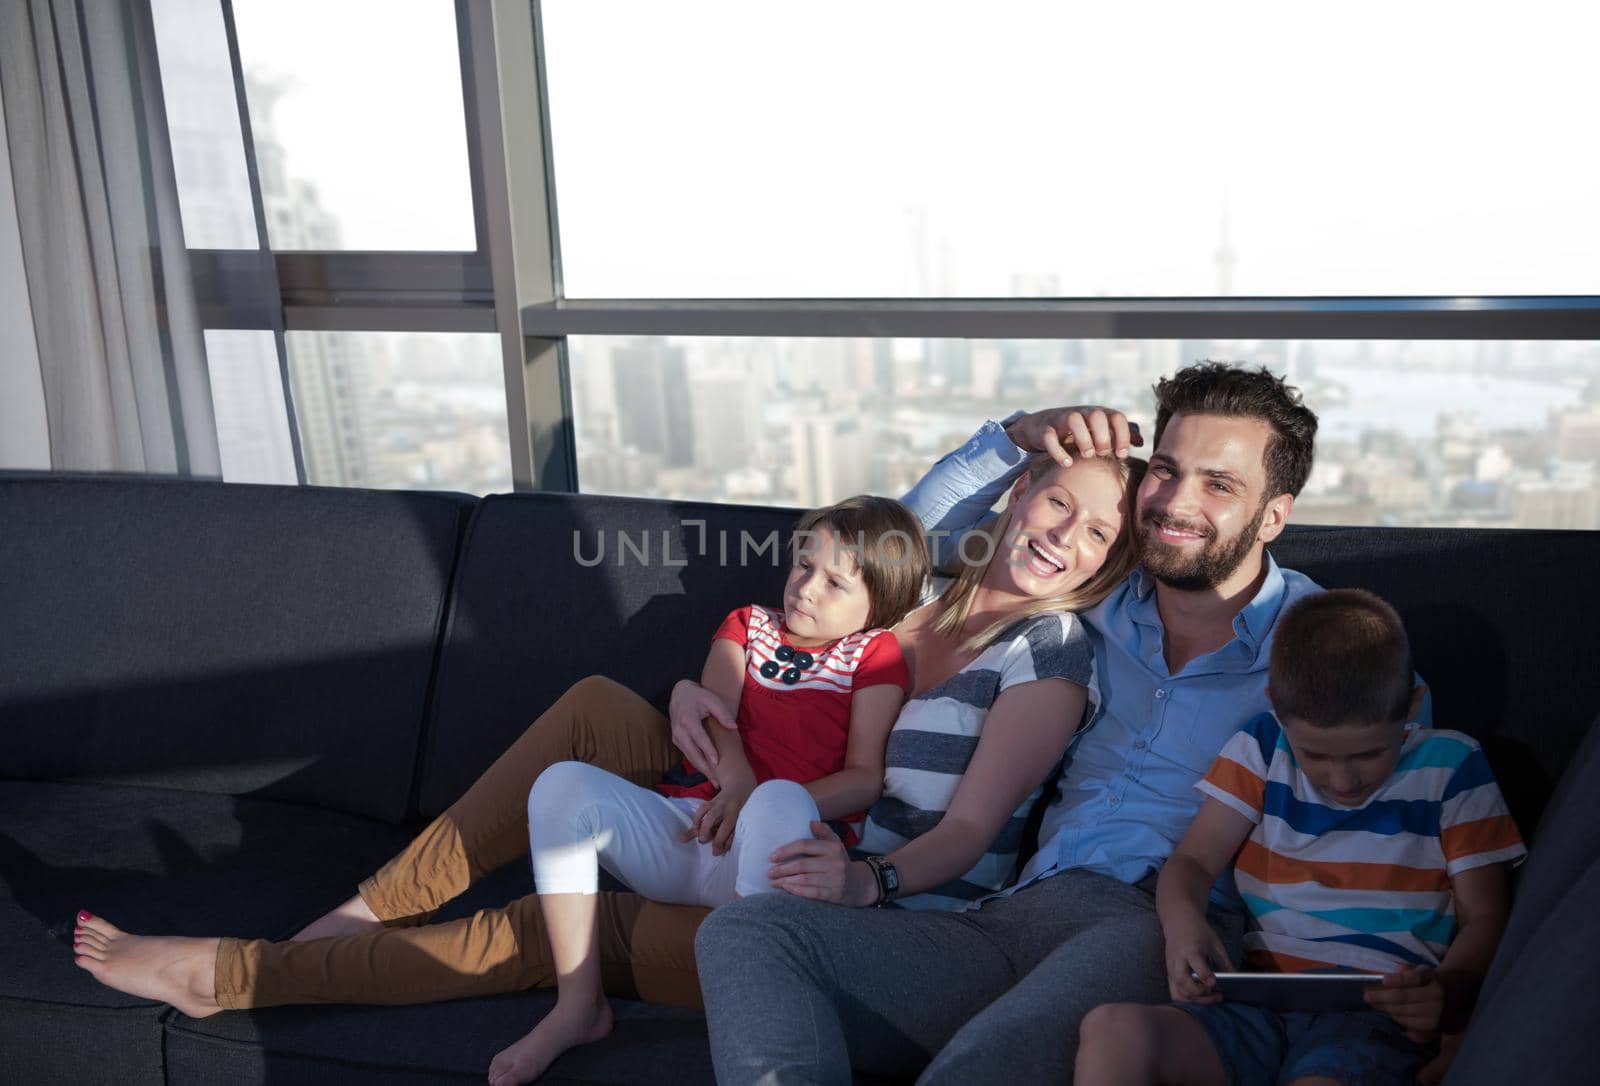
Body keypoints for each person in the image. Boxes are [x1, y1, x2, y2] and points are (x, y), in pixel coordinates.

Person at [67, 451, 1142, 1076]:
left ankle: (241, 975)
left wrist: (864, 877)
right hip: (762, 814)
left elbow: (964, 840)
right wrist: (697, 700)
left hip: (848, 905)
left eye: (1098, 534)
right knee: (596, 712)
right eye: (1056, 501)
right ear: (1015, 498)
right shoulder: (919, 607)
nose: (1065, 535)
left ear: (1106, 569)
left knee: (551, 929)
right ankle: (371, 902)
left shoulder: (1048, 652)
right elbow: (890, 531)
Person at [694, 362, 1375, 1085]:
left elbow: (1393, 797)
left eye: (1219, 484)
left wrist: (1397, 1011)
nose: (1176, 502)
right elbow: (887, 551)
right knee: (747, 932)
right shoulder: (1096, 595)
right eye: (1167, 471)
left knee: (982, 1067)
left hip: (1152, 922)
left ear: (1273, 514)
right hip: (1010, 913)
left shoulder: (1319, 645)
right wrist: (1016, 438)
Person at [487, 497, 927, 1084]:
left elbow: (864, 777)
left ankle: (751, 1012)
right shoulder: (748, 624)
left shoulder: (873, 656)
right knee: (560, 785)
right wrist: (739, 786)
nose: (806, 589)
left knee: (780, 799)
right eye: (803, 565)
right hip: (691, 830)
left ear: (882, 603)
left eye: (835, 583)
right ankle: (578, 1007)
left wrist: (760, 801)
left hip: (773, 857)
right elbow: (716, 721)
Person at [1075, 589, 1523, 1086]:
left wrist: (1445, 992)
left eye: (1370, 753)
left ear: (1412, 705)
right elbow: (1194, 863)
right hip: (1260, 1000)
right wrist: (1184, 928)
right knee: (1113, 1030)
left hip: (1376, 1016)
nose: (1343, 780)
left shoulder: (1452, 765)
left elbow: (1484, 916)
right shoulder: (1263, 747)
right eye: (1317, 756)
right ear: (1277, 709)